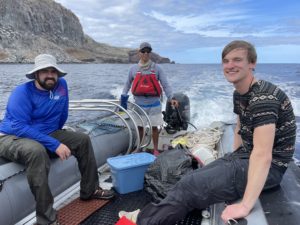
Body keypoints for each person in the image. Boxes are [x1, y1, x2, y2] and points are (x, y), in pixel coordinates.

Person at [118, 40, 297, 224]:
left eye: (237, 60)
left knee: (190, 186)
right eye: (226, 61)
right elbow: (239, 127)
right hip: (245, 157)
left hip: (270, 169)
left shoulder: (263, 98)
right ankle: (154, 214)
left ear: (252, 63)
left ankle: (141, 221)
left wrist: (245, 206)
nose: (230, 65)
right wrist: (231, 158)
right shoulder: (241, 93)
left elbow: (263, 155)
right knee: (191, 178)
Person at [0, 54, 115, 225]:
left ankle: (89, 190)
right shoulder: (21, 93)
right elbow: (19, 126)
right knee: (36, 151)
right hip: (12, 136)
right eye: (44, 71)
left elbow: (62, 113)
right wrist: (54, 144)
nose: (50, 75)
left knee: (82, 140)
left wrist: (60, 136)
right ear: (36, 74)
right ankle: (47, 219)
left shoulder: (61, 85)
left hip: (46, 133)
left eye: (53, 71)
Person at [121, 42, 178, 155]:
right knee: (140, 127)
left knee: (154, 127)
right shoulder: (133, 69)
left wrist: (172, 97)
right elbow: (127, 84)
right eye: (143, 51)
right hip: (139, 103)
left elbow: (165, 84)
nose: (145, 53)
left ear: (150, 53)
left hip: (154, 103)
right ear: (139, 53)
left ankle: (156, 149)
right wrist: (123, 97)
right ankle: (139, 148)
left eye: (148, 51)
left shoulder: (157, 69)